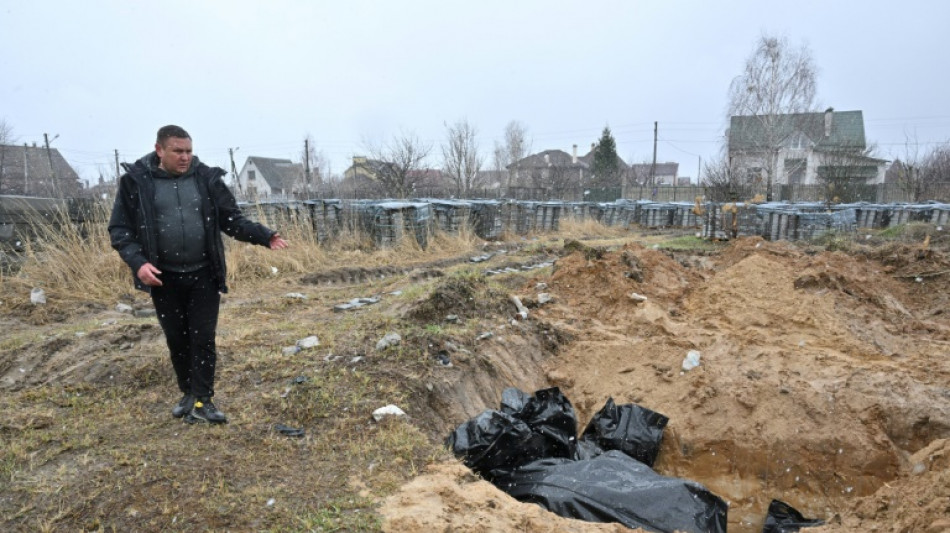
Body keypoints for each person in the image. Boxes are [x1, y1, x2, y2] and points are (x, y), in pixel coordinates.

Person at [109, 125, 288, 424]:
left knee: (203, 338)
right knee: (177, 339)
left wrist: (264, 236)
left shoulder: (206, 179)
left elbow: (232, 219)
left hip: (203, 274)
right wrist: (138, 263)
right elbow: (120, 230)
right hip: (162, 277)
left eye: (189, 151)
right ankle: (188, 393)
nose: (185, 157)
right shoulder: (136, 183)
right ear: (159, 150)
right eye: (178, 151)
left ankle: (204, 400)